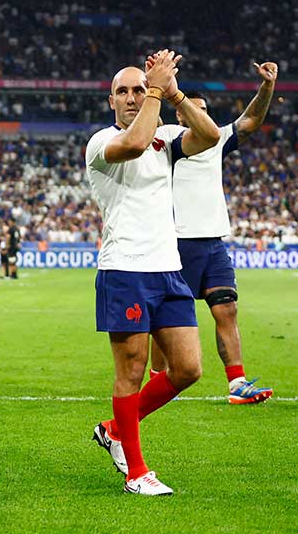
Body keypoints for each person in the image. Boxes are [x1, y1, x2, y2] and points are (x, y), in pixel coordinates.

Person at [86, 50, 221, 495]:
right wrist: (157, 91)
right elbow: (136, 143)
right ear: (110, 101)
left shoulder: (165, 135)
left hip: (169, 270)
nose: (131, 97)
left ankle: (113, 427)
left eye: (137, 89)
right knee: (132, 370)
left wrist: (176, 93)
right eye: (122, 91)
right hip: (125, 270)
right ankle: (136, 473)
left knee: (187, 368)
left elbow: (211, 135)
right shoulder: (101, 143)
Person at [150, 62, 279, 404]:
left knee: (227, 309)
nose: (201, 114)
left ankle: (236, 383)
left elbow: (250, 122)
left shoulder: (218, 139)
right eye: (194, 109)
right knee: (166, 319)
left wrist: (266, 87)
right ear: (181, 114)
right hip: (178, 242)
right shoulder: (169, 141)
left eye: (205, 110)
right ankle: (156, 381)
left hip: (214, 244)